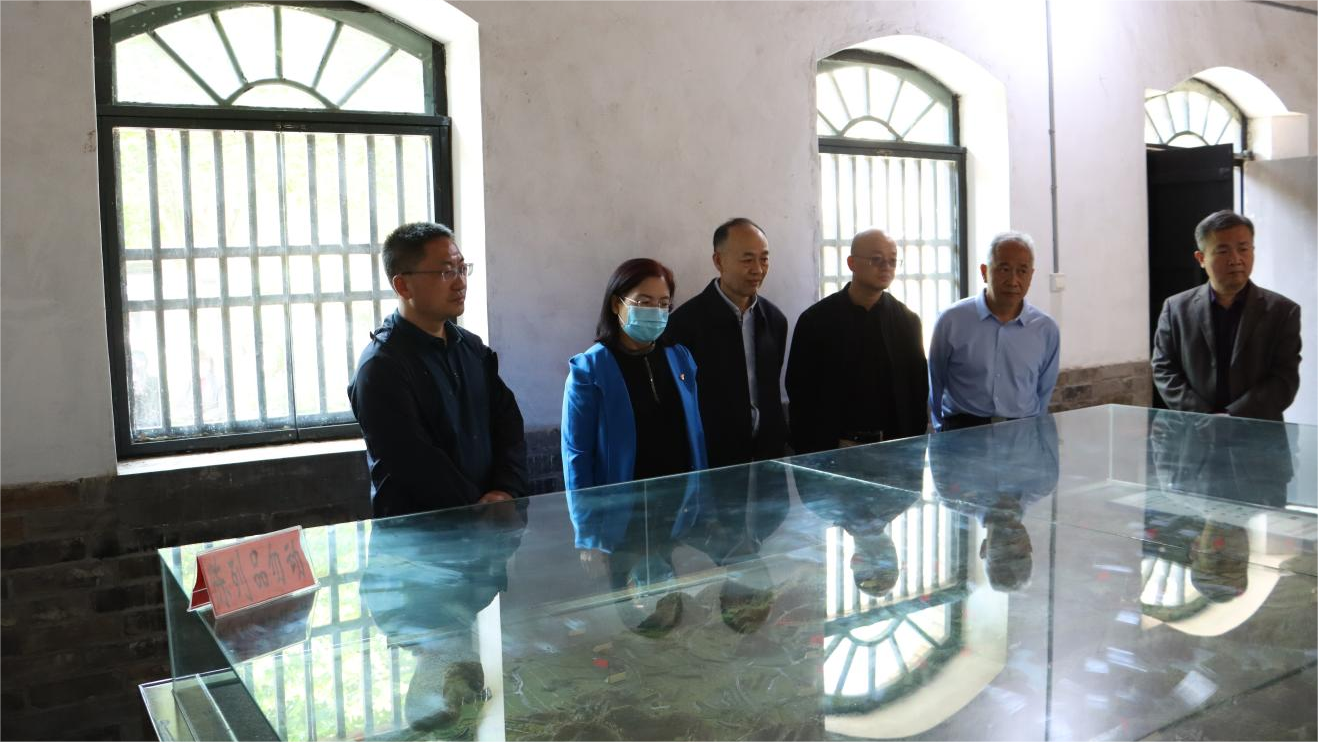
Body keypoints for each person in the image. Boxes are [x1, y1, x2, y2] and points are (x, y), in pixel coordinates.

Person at [348, 222, 528, 518]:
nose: (460, 283)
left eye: (462, 269)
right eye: (446, 272)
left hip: (490, 526)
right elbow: (415, 463)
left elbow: (508, 423)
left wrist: (505, 490)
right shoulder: (380, 367)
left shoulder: (472, 348)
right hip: (422, 537)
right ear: (403, 286)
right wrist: (479, 508)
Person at [561, 258, 708, 490]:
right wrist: (585, 510)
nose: (655, 311)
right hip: (620, 503)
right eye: (644, 302)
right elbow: (577, 456)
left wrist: (701, 496)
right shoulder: (590, 370)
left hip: (680, 501)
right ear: (615, 304)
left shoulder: (680, 359)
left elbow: (696, 435)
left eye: (663, 304)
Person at [785, 228, 928, 454]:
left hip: (894, 448)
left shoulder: (907, 322)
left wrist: (912, 447)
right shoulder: (816, 320)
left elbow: (917, 391)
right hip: (834, 448)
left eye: (892, 261)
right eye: (876, 259)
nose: (886, 267)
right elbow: (800, 391)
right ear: (851, 263)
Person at [1151, 210, 1301, 421]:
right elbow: (1164, 370)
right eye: (1223, 250)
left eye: (1243, 249)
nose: (1236, 259)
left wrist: (1232, 417)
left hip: (1258, 430)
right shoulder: (1176, 308)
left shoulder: (1283, 311)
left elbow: (1284, 378)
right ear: (1201, 258)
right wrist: (1205, 417)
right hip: (1194, 429)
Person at [665, 218, 788, 465]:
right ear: (719, 261)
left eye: (764, 259)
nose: (758, 269)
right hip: (712, 460)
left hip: (768, 458)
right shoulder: (684, 324)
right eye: (747, 259)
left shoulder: (774, 320)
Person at [928, 231, 1060, 431]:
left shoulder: (1045, 329)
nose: (1013, 281)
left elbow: (1044, 392)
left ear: (1031, 275)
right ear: (984, 272)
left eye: (1022, 271)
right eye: (1004, 269)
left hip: (1022, 433)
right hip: (963, 432)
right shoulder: (951, 321)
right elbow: (935, 382)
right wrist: (941, 432)